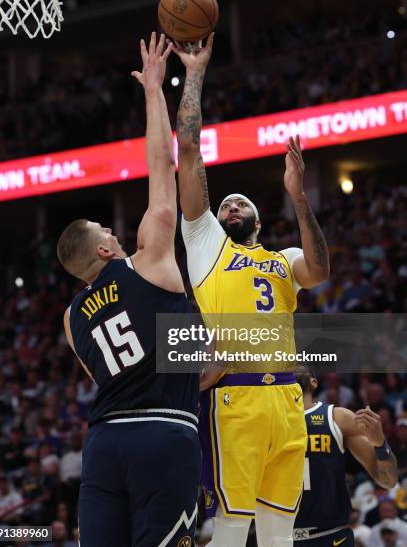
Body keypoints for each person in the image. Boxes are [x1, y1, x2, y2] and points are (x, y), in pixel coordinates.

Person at [173, 36, 330, 547]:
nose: (231, 207)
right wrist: (195, 73)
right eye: (225, 206)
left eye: (241, 205)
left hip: (287, 398)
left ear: (259, 223)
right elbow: (191, 150)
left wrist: (299, 197)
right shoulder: (205, 246)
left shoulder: (281, 261)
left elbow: (321, 269)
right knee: (233, 530)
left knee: (280, 534)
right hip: (235, 396)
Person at [57, 33, 200, 547]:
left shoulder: (72, 321)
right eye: (105, 231)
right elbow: (163, 166)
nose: (115, 233)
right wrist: (154, 90)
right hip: (162, 435)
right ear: (102, 252)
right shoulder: (148, 259)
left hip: (103, 445)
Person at [294, 366, 398, 546]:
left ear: (314, 382)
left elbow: (387, 480)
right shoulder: (267, 422)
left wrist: (380, 444)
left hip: (332, 536)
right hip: (280, 536)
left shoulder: (337, 418)